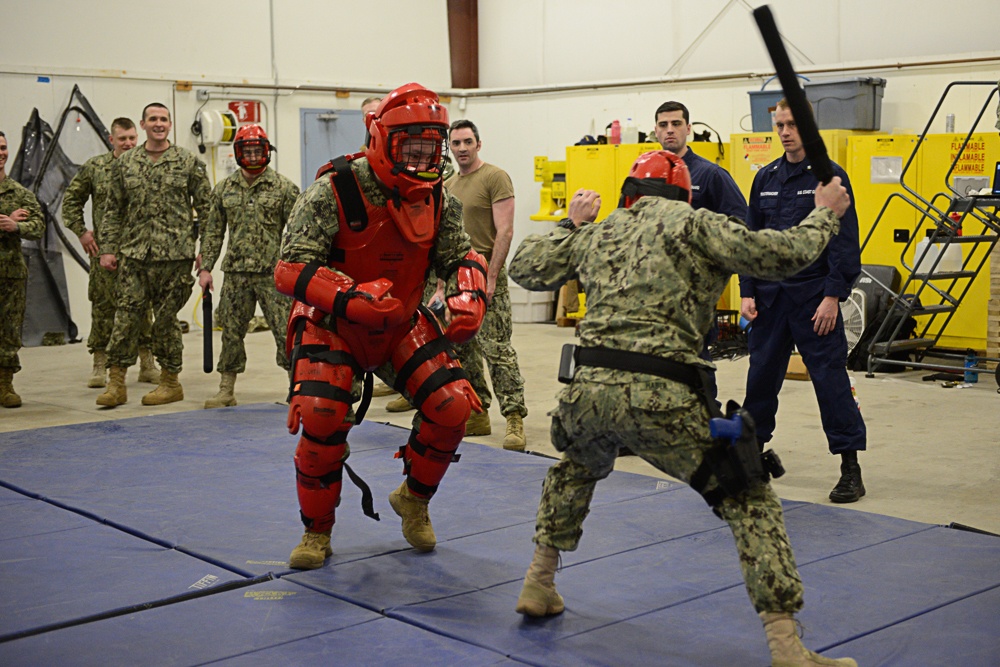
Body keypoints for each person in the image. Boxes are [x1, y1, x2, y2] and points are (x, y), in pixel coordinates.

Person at [508, 150, 858, 667]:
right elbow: (781, 255)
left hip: (587, 393)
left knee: (577, 466)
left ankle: (538, 583)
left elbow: (524, 267)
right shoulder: (698, 225)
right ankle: (787, 646)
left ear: (629, 194)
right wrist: (825, 211)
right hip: (662, 395)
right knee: (748, 497)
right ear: (685, 193)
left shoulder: (598, 231)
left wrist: (572, 221)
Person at [274, 82, 488, 569]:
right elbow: (289, 267)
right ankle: (317, 531)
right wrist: (348, 295)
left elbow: (461, 255)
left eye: (430, 148)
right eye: (410, 147)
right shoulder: (334, 189)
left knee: (453, 405)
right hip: (334, 324)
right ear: (382, 139)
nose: (421, 160)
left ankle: (413, 498)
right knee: (322, 414)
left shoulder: (438, 198)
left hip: (399, 322)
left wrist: (468, 294)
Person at [739, 99, 867, 504]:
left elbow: (845, 245)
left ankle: (851, 470)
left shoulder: (830, 178)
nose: (785, 132)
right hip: (771, 300)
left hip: (813, 300)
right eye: (779, 125)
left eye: (793, 124)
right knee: (760, 381)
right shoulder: (766, 177)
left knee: (830, 383)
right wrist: (746, 291)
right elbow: (750, 239)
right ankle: (750, 461)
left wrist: (833, 296)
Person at [385, 119, 527, 450]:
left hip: (486, 274)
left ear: (478, 144)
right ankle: (478, 414)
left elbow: (504, 231)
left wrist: (490, 278)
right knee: (462, 349)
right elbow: (438, 239)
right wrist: (438, 285)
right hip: (453, 278)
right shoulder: (446, 185)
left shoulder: (495, 177)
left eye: (467, 142)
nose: (462, 148)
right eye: (457, 143)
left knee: (497, 349)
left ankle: (515, 418)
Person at [96, 102, 212, 408]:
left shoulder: (187, 162)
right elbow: (113, 210)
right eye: (152, 119)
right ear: (143, 124)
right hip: (134, 255)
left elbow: (208, 211)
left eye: (163, 119)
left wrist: (205, 255)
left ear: (170, 125)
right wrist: (107, 248)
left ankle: (170, 382)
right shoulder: (125, 164)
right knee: (125, 319)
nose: (158, 124)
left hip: (175, 257)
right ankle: (116, 383)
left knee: (165, 322)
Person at [197, 124, 299, 408]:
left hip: (273, 276)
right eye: (248, 151)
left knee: (286, 332)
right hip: (236, 274)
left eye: (258, 150)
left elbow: (300, 229)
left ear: (267, 152)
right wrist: (205, 269)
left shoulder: (284, 188)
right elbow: (213, 232)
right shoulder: (224, 189)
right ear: (238, 154)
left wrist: (298, 268)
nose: (253, 157)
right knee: (231, 330)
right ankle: (226, 389)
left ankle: (297, 387)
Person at [63, 117, 160, 389]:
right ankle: (99, 364)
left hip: (140, 252)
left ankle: (147, 362)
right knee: (104, 308)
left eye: (132, 138)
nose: (128, 143)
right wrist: (81, 231)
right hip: (105, 252)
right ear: (111, 140)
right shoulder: (96, 168)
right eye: (122, 139)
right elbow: (70, 201)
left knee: (143, 310)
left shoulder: (146, 167)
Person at [0, 130, 45, 408]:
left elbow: (38, 226)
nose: (1, 153)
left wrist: (17, 226)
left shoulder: (19, 193)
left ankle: (4, 384)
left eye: (3, 147)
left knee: (8, 331)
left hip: (10, 274)